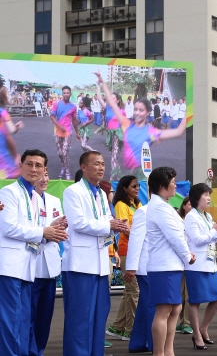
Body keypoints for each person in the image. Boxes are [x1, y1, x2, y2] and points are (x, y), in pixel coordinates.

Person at [61, 151, 129, 356]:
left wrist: (115, 226)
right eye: (96, 164)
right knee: (80, 317)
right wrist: (108, 224)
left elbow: (105, 221)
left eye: (102, 164)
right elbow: (78, 223)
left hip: (100, 263)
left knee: (99, 315)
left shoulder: (100, 192)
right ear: (83, 167)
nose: (101, 167)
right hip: (80, 265)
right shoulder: (73, 191)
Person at [0, 150, 68, 356]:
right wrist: (43, 231)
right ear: (20, 166)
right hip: (10, 266)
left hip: (29, 266)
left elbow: (36, 232)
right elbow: (8, 228)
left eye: (39, 166)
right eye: (29, 164)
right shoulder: (9, 192)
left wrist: (51, 230)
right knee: (11, 320)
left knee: (21, 320)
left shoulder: (35, 198)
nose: (34, 169)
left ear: (44, 170)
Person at [95, 70, 186, 180]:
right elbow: (113, 104)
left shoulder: (151, 132)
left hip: (141, 175)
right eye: (136, 109)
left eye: (141, 110)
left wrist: (189, 110)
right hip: (129, 173)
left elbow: (178, 131)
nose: (137, 113)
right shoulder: (126, 125)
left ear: (148, 112)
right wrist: (102, 82)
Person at [146, 167, 195, 356]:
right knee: (164, 311)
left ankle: (168, 351)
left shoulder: (164, 206)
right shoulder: (159, 207)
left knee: (175, 308)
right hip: (163, 267)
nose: (175, 185)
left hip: (171, 266)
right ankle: (159, 353)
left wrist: (186, 255)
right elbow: (174, 236)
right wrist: (188, 256)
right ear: (162, 186)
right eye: (173, 181)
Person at [29, 170, 68, 356]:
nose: (44, 178)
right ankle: (29, 350)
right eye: (40, 174)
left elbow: (57, 229)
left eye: (47, 174)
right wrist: (47, 231)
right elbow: (24, 230)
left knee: (45, 316)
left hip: (50, 266)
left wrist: (58, 230)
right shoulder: (25, 199)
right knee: (29, 315)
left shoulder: (54, 200)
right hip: (30, 265)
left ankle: (39, 350)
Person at [184, 183, 217, 350]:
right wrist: (213, 231)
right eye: (205, 195)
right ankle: (196, 334)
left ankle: (204, 327)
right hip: (196, 265)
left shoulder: (207, 216)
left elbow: (212, 239)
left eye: (209, 195)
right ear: (196, 198)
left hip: (210, 263)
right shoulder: (191, 216)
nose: (209, 198)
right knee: (195, 301)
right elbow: (198, 240)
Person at [106, 176, 143, 341]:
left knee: (129, 290)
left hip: (138, 249)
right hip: (127, 250)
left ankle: (118, 326)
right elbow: (124, 227)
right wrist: (140, 235)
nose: (137, 189)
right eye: (133, 186)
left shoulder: (138, 204)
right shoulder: (121, 205)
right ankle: (131, 330)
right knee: (134, 290)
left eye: (138, 186)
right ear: (125, 188)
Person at [125, 201, 154, 353]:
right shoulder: (144, 212)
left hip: (158, 265)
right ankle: (156, 343)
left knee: (145, 304)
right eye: (172, 183)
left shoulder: (165, 209)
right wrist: (131, 267)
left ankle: (138, 342)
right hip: (147, 266)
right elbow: (136, 240)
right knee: (153, 305)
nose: (175, 186)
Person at [94, 83, 125, 180]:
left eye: (113, 98)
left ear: (118, 100)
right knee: (113, 156)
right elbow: (99, 97)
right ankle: (119, 174)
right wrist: (98, 85)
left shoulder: (121, 111)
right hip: (110, 135)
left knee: (114, 156)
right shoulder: (107, 108)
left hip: (118, 135)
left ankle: (113, 175)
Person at [50, 86, 80, 180]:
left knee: (64, 152)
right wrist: (59, 126)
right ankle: (64, 166)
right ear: (62, 94)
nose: (66, 94)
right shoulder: (57, 104)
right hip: (58, 132)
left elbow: (74, 120)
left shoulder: (73, 106)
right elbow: (52, 116)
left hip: (68, 132)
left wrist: (77, 132)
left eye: (67, 93)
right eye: (64, 93)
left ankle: (67, 171)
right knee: (60, 153)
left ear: (70, 94)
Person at [176, 197, 193, 335]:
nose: (191, 207)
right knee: (179, 294)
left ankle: (186, 322)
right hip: (179, 261)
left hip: (191, 261)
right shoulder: (178, 220)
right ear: (184, 206)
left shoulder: (197, 219)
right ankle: (180, 321)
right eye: (189, 204)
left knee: (188, 294)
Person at [0, 86, 24, 179]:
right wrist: (17, 127)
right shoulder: (3, 112)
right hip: (3, 154)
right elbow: (12, 130)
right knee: (11, 176)